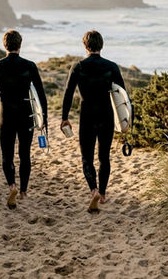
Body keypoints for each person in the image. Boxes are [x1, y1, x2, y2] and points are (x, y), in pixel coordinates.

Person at [61, 30, 126, 212]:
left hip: (87, 116)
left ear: (85, 45)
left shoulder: (79, 67)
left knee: (87, 158)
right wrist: (125, 122)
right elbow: (123, 97)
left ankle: (94, 190)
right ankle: (103, 194)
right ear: (101, 45)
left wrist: (65, 117)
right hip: (106, 116)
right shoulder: (112, 67)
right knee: (104, 157)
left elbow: (68, 93)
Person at [0, 29, 47, 209]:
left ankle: (12, 186)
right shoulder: (30, 65)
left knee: (7, 154)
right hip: (26, 114)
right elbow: (41, 95)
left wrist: (1, 93)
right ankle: (24, 191)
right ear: (20, 44)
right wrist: (44, 121)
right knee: (25, 153)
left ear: (5, 45)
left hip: (7, 115)